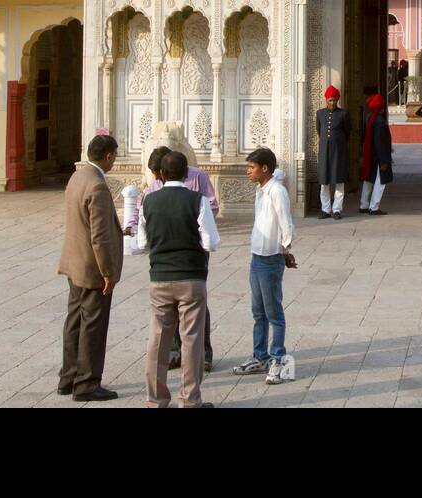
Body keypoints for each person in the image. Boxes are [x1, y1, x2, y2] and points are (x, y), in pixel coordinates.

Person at [125, 145, 219, 371]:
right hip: (177, 257)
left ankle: (202, 355)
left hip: (182, 257)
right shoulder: (152, 190)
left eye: (158, 173)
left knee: (188, 313)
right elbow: (212, 241)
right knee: (181, 311)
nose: (157, 178)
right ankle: (180, 356)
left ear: (166, 171)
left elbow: (143, 243)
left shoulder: (198, 179)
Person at [57, 134, 123, 401]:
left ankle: (69, 377)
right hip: (92, 268)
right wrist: (107, 272)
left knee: (75, 320)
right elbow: (99, 236)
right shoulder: (97, 185)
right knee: (93, 325)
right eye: (115, 157)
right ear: (108, 156)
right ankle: (86, 383)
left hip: (74, 263)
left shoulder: (78, 177)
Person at [232, 150, 296, 386]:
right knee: (258, 311)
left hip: (271, 258)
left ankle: (277, 358)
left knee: (274, 313)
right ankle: (260, 356)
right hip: (257, 257)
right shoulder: (261, 190)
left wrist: (285, 250)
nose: (248, 171)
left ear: (265, 168)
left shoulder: (277, 191)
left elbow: (285, 221)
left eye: (252, 167)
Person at [315, 85, 351, 219]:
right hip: (324, 152)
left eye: (334, 100)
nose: (332, 103)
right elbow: (319, 130)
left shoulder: (344, 114)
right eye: (330, 100)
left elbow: (348, 131)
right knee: (324, 182)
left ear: (338, 100)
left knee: (339, 182)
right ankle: (325, 209)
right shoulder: (320, 113)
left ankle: (336, 209)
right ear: (326, 100)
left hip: (339, 153)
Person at [358, 92, 392, 215]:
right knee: (380, 182)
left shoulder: (369, 118)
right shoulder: (380, 122)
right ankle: (374, 207)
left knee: (368, 180)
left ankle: (364, 204)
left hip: (369, 155)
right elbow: (380, 143)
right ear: (382, 108)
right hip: (378, 157)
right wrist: (384, 161)